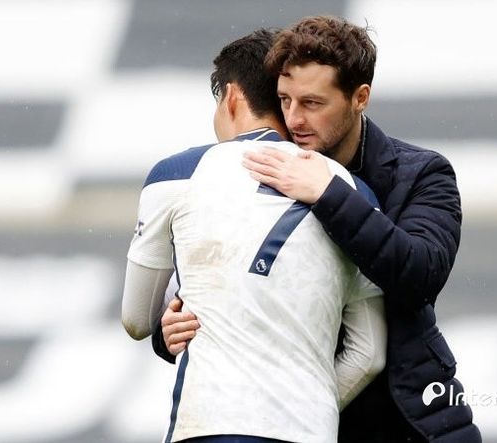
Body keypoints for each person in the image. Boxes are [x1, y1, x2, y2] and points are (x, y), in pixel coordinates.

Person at [156, 16, 482, 442]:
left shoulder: (422, 173)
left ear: (360, 97)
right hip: (292, 429)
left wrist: (329, 194)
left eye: (312, 103)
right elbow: (215, 287)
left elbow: (419, 275)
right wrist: (169, 331)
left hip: (408, 423)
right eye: (284, 100)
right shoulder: (260, 171)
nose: (294, 119)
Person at [121, 29, 386, 443]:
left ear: (230, 97)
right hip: (308, 430)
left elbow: (137, 320)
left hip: (207, 426)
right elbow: (369, 355)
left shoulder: (175, 175)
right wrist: (303, 411)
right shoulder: (354, 192)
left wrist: (166, 325)